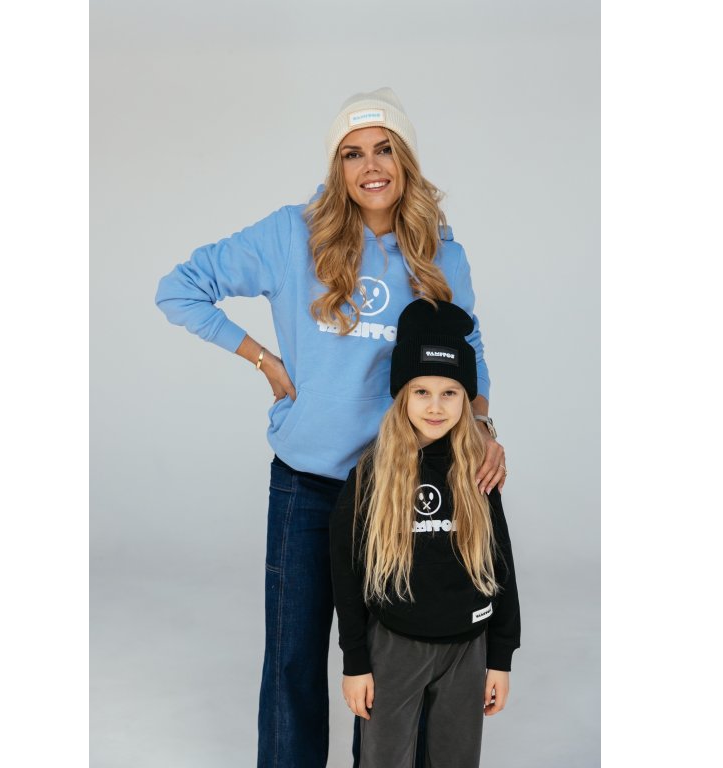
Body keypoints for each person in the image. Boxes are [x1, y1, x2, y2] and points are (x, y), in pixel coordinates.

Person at [155, 88, 508, 768]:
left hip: (398, 490)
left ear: (405, 161)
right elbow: (180, 287)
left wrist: (483, 425)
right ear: (336, 166)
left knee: (388, 668)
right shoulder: (291, 234)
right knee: (293, 658)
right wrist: (262, 358)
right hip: (308, 487)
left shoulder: (439, 252)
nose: (369, 166)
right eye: (352, 153)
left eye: (384, 150)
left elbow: (468, 348)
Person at [330, 298, 521, 767]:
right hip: (395, 646)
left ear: (466, 399)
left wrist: (500, 658)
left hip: (467, 649)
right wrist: (355, 662)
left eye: (450, 393)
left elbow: (501, 566)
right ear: (402, 395)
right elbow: (346, 572)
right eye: (421, 392)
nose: (435, 406)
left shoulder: (478, 471)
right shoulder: (371, 474)